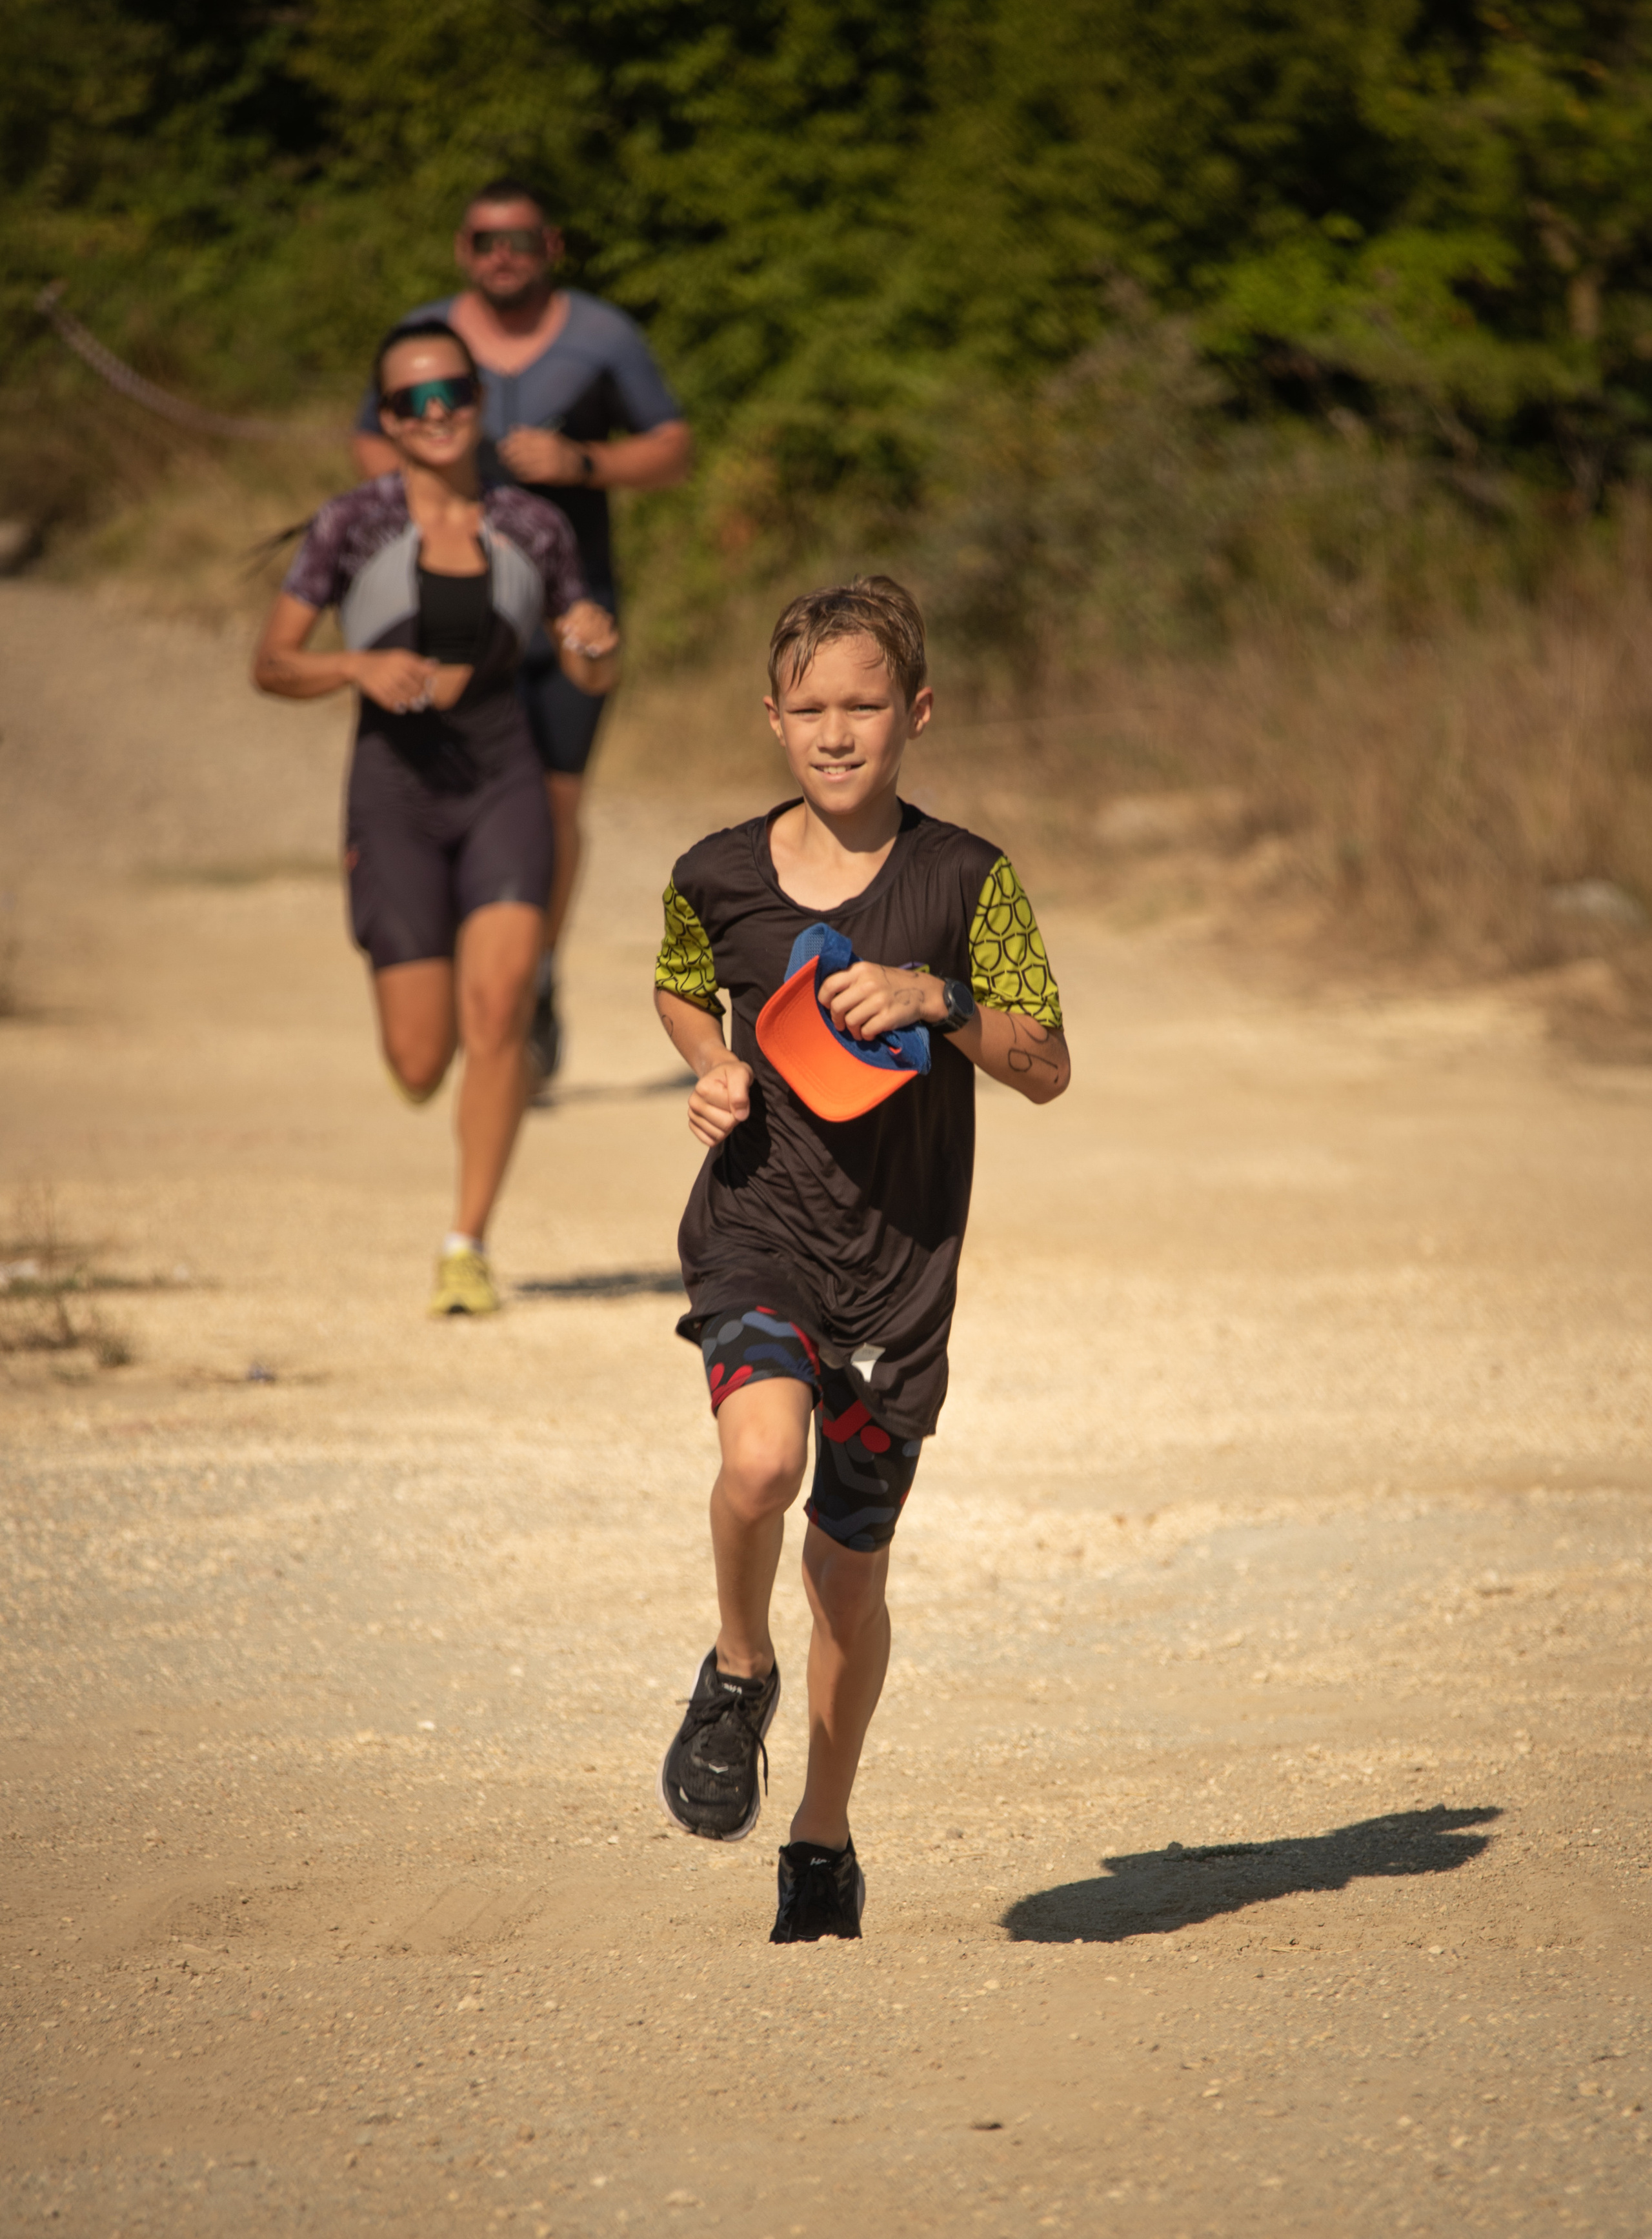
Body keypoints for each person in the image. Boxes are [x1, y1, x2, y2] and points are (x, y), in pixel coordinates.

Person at [651, 576, 1071, 1942]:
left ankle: (821, 1835)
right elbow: (676, 976)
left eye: (865, 705)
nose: (836, 733)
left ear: (917, 712)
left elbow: (1047, 1066)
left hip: (898, 1277)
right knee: (760, 1463)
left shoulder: (967, 880)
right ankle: (733, 1664)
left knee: (849, 1573)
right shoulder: (714, 872)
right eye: (809, 707)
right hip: (759, 1226)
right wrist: (711, 1060)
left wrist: (935, 997)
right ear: (771, 717)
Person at [254, 319, 618, 1315]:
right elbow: (271, 662)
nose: (439, 412)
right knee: (420, 1059)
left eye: (454, 390)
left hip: (505, 776)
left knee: (498, 1010)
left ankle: (467, 1245)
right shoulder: (351, 525)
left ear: (477, 400)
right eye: (413, 400)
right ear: (387, 420)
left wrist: (591, 643)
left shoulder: (534, 526)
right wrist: (355, 665)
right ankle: (437, 1005)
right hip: (394, 791)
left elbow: (591, 659)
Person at [352, 177, 692, 1087]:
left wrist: (584, 462)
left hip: (572, 605)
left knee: (553, 804)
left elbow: (673, 446)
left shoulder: (602, 337)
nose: (503, 255)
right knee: (448, 791)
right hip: (452, 611)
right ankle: (460, 965)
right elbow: (368, 444)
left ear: (553, 247)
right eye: (485, 240)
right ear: (463, 250)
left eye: (522, 240)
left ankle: (531, 975)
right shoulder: (426, 335)